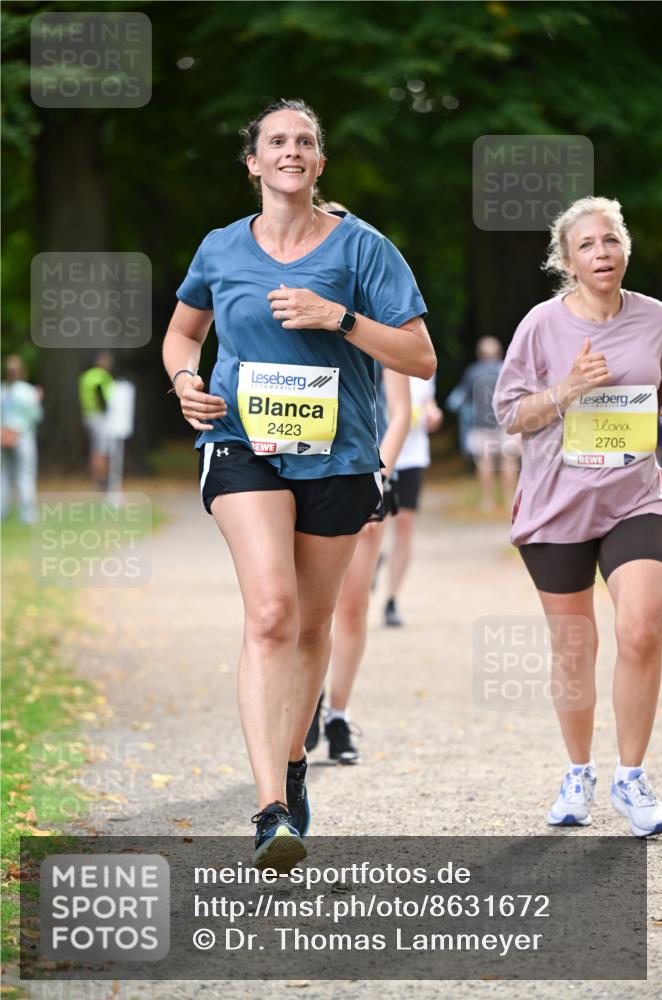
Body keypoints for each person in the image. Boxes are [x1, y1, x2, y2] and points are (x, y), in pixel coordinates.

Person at [162, 99, 436, 869]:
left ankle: (291, 759)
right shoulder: (219, 248)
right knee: (273, 611)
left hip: (338, 459)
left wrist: (337, 317)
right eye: (276, 141)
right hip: (239, 444)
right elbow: (184, 331)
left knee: (312, 625)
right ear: (253, 162)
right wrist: (186, 379)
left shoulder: (364, 248)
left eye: (305, 142)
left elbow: (418, 359)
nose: (290, 152)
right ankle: (269, 810)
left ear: (319, 164)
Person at [493, 196, 662, 838]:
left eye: (611, 241)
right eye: (588, 245)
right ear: (567, 261)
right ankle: (578, 772)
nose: (603, 253)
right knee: (574, 650)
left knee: (642, 627)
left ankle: (632, 776)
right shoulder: (541, 326)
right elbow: (510, 413)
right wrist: (567, 389)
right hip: (557, 504)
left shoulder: (657, 320)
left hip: (635, 499)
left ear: (626, 250)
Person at [308, 362, 411, 763]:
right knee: (305, 608)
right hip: (303, 470)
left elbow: (400, 411)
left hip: (366, 471)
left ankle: (338, 715)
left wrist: (377, 477)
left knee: (352, 604)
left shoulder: (377, 317)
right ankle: (306, 698)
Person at [383, 376, 442, 627]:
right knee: (370, 527)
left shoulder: (420, 361)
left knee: (404, 525)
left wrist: (433, 413)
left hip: (412, 458)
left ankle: (391, 599)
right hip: (379, 458)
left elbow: (428, 401)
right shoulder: (376, 359)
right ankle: (364, 580)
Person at [454, 337, 520, 513]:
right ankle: (509, 500)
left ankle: (487, 501)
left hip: (481, 424)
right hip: (506, 422)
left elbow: (461, 399)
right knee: (509, 460)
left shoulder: (472, 372)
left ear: (480, 354)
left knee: (484, 462)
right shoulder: (507, 370)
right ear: (499, 353)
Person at [1, 355, 43, 523]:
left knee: (3, 476)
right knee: (25, 474)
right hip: (23, 436)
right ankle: (28, 515)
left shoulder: (2, 391)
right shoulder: (28, 391)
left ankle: (1, 512)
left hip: (3, 436)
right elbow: (36, 415)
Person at [79, 351, 114, 490]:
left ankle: (95, 480)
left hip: (88, 415)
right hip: (100, 417)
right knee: (102, 450)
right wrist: (106, 408)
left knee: (94, 448)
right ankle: (103, 480)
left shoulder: (86, 376)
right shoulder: (102, 376)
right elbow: (101, 394)